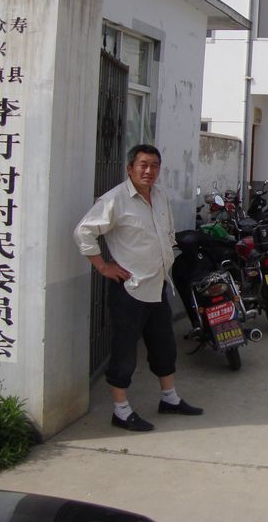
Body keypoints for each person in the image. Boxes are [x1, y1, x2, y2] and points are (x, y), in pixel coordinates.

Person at [74, 144, 203, 432]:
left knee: (164, 346)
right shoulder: (115, 200)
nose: (149, 171)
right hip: (129, 289)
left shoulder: (159, 196)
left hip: (157, 285)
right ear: (130, 168)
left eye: (154, 165)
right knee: (124, 352)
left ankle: (169, 398)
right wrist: (103, 266)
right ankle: (120, 410)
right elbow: (83, 231)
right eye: (143, 165)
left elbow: (167, 232)